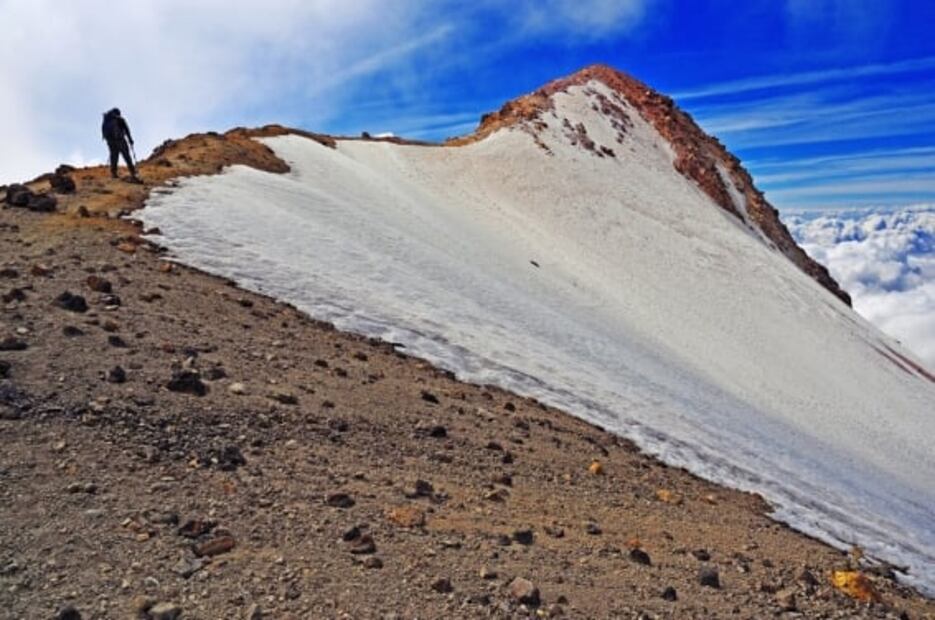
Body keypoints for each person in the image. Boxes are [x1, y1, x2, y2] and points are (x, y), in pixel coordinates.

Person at [101, 108, 139, 181]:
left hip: (110, 142)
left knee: (114, 157)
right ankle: (133, 172)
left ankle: (113, 173)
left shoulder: (106, 120)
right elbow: (126, 130)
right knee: (127, 156)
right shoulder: (119, 119)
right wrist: (130, 139)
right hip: (120, 140)